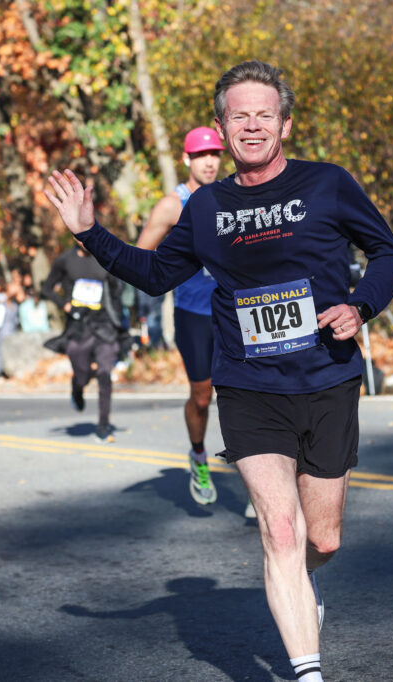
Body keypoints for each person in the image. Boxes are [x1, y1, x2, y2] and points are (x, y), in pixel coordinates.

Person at [45, 60, 393, 682]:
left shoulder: (328, 184)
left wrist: (360, 305)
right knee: (281, 531)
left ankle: (300, 584)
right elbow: (157, 273)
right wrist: (89, 232)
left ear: (286, 124)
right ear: (222, 126)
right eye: (239, 115)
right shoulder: (208, 206)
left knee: (322, 541)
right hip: (247, 383)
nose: (253, 125)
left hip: (326, 377)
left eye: (265, 113)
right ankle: (308, 671)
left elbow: (386, 252)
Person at [136, 126, 224, 506]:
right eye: (202, 155)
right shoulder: (173, 205)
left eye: (215, 154)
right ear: (186, 160)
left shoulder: (233, 196)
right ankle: (199, 455)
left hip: (236, 310)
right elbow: (140, 257)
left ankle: (259, 473)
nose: (210, 161)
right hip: (193, 314)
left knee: (246, 395)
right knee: (202, 398)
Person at [42, 243, 125, 443]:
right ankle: (77, 387)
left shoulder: (104, 257)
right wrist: (66, 306)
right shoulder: (65, 260)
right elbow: (46, 288)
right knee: (82, 374)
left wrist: (117, 318)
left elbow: (117, 289)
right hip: (78, 328)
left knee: (105, 373)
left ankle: (103, 426)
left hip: (103, 326)